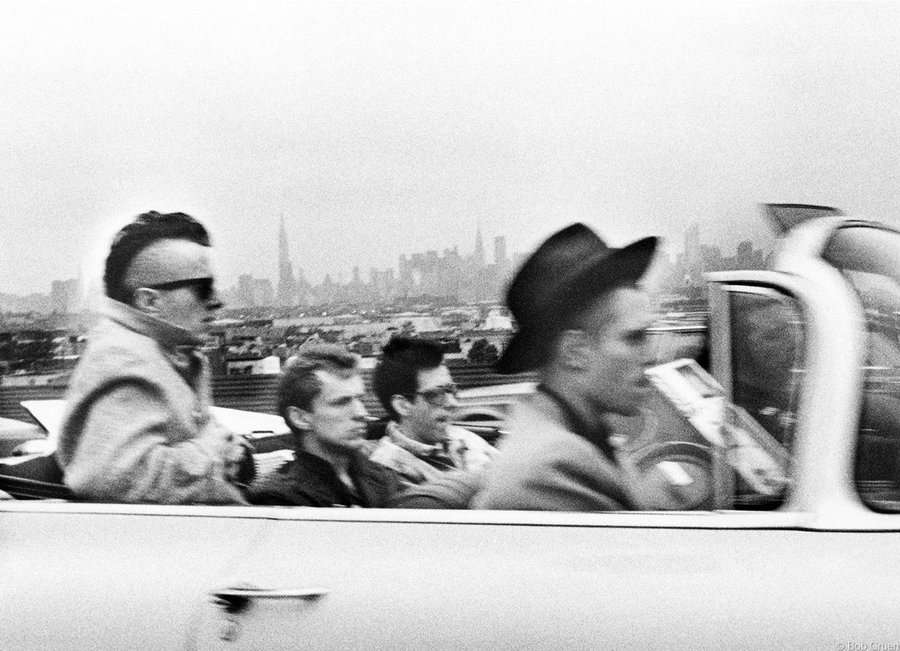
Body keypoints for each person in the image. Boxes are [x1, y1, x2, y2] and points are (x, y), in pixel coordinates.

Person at [57, 211, 253, 504]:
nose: (216, 301)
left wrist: (228, 449)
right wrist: (213, 450)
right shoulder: (124, 359)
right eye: (202, 288)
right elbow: (113, 478)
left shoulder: (168, 352)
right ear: (149, 301)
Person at [473, 223, 661, 511]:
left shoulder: (579, 433)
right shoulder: (551, 469)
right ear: (575, 351)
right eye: (634, 337)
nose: (651, 356)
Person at [250, 344, 401, 507]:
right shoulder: (281, 498)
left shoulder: (384, 476)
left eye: (359, 399)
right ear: (300, 418)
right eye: (341, 402)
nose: (361, 412)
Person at [369, 336, 497, 485]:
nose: (452, 403)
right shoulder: (388, 472)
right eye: (436, 394)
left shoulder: (463, 437)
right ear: (403, 406)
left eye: (451, 389)